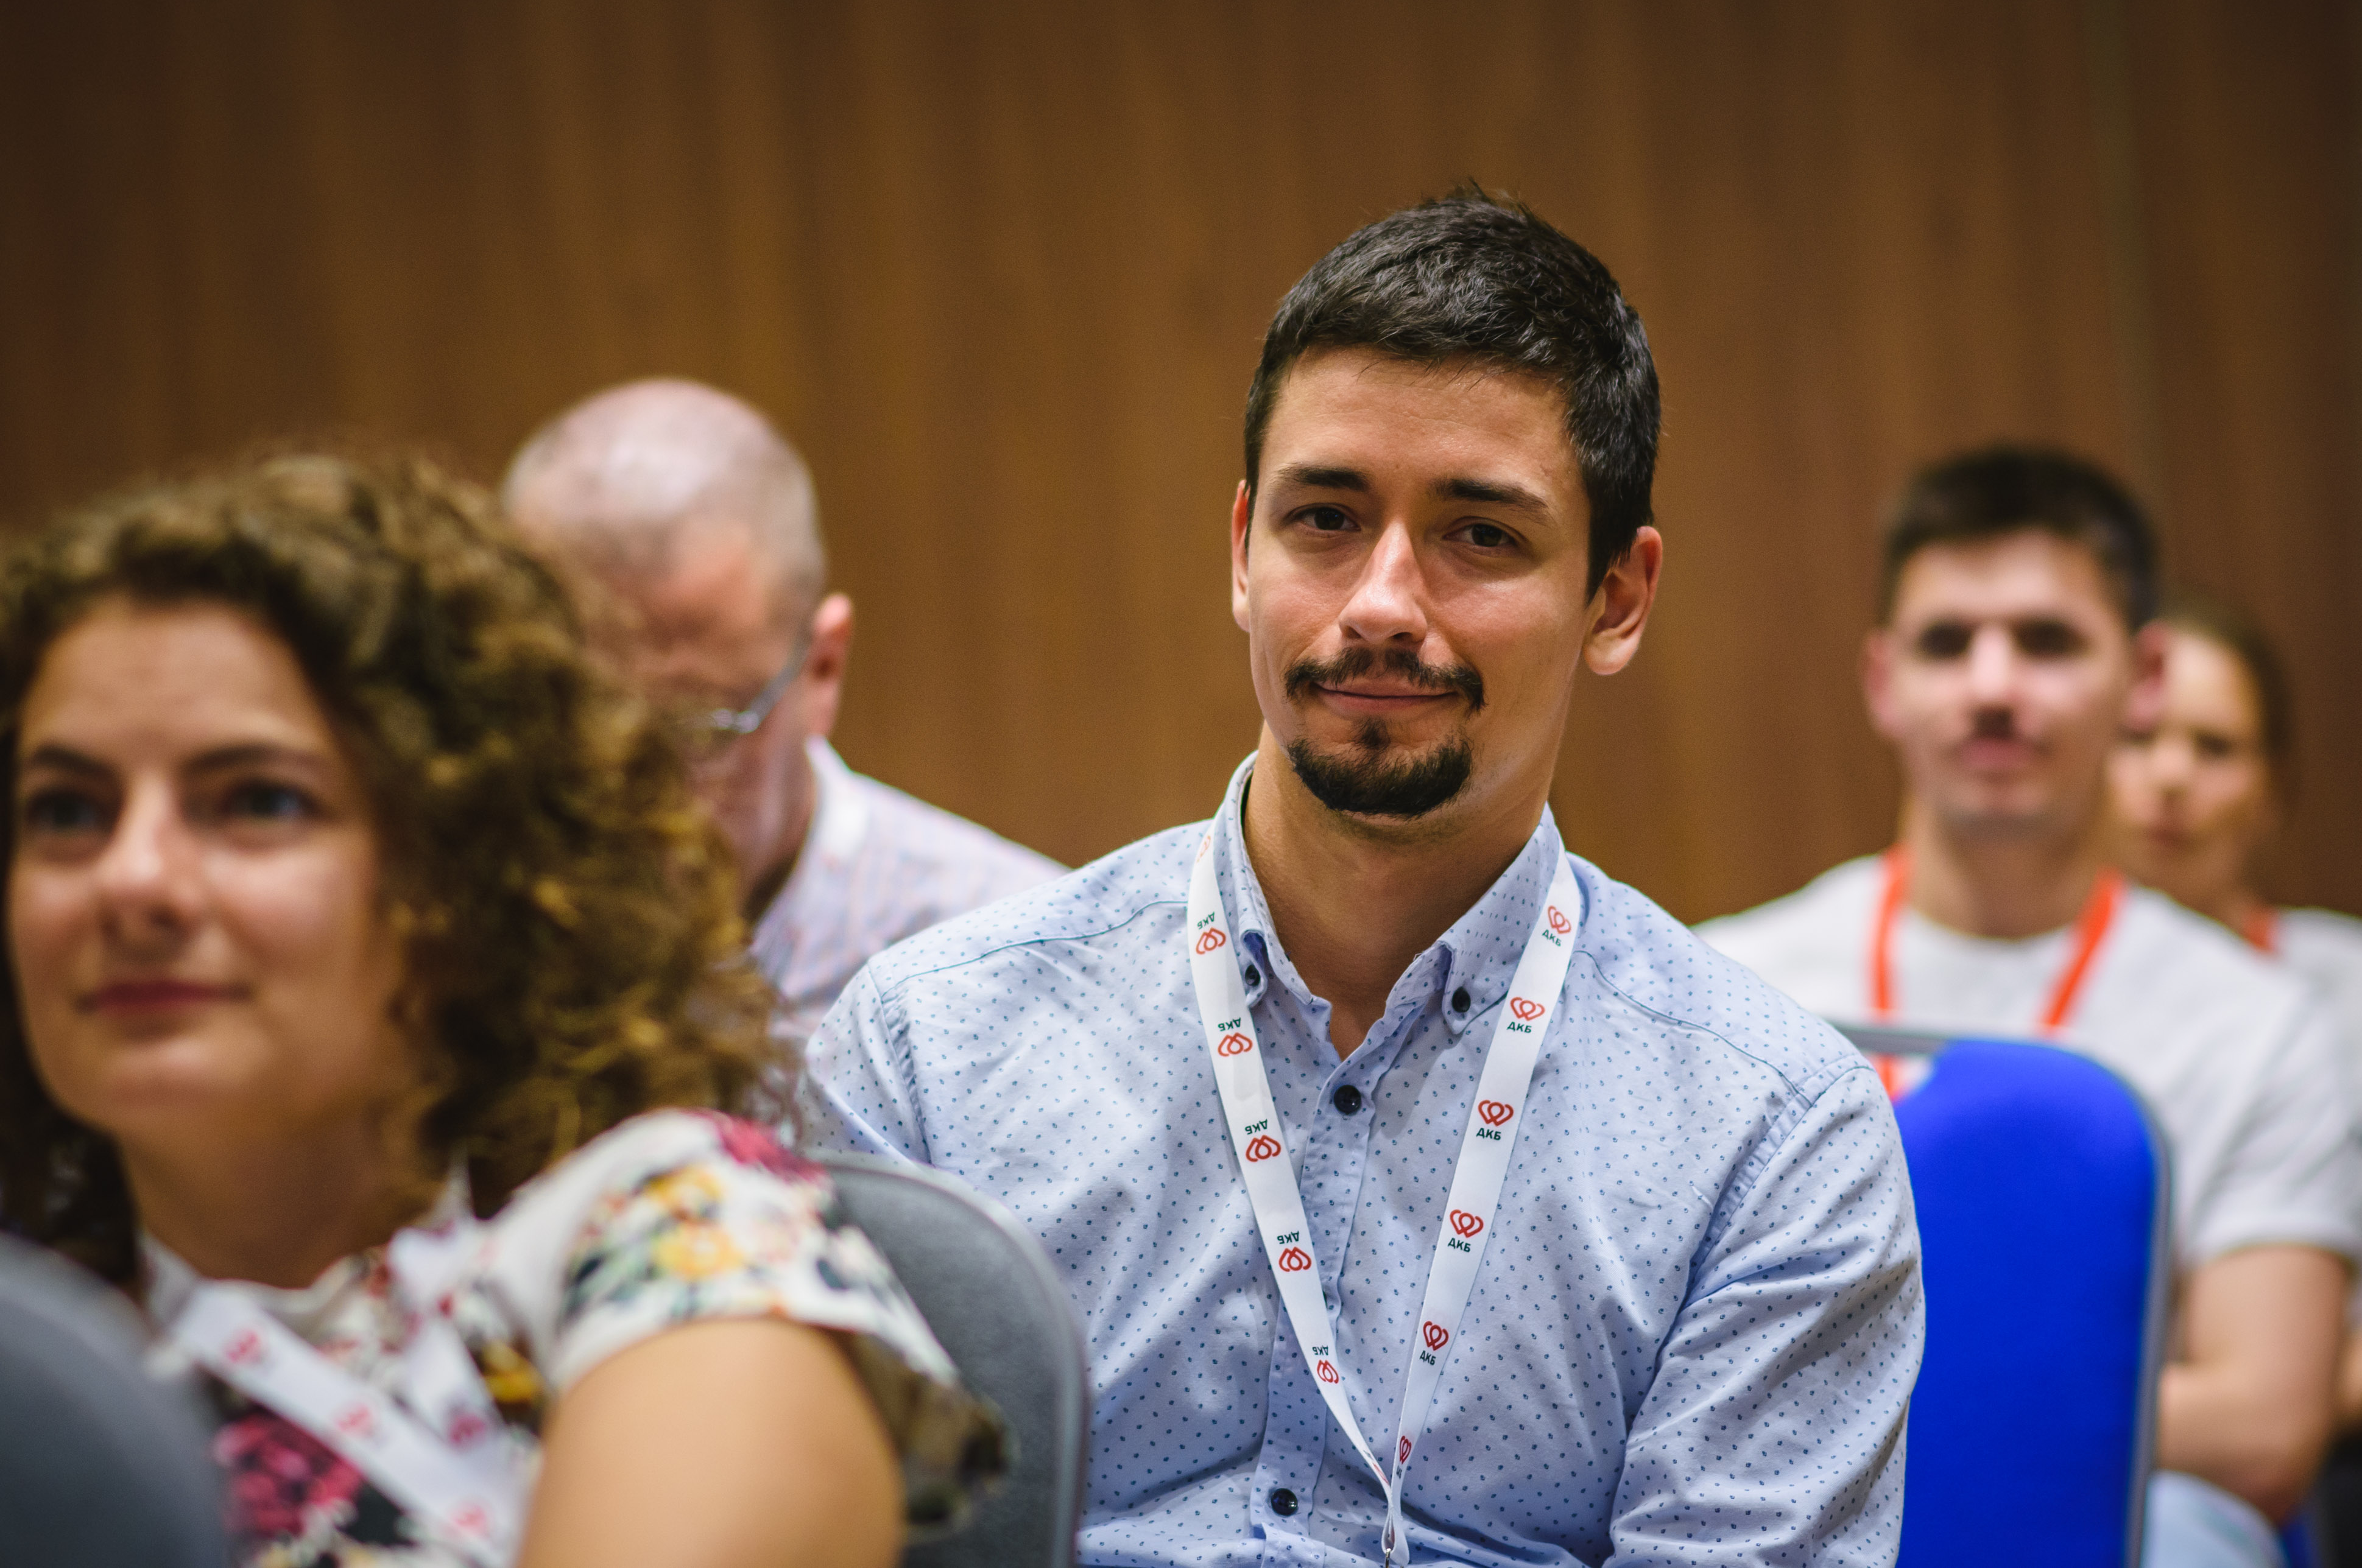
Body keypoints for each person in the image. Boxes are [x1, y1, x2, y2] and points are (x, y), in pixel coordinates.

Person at [808, 188, 1925, 1567]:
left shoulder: (1772, 1136)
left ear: (1617, 596)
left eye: (1480, 535)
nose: (1384, 601)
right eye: (1326, 518)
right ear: (1242, 549)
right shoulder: (927, 1049)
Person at [0, 452, 1001, 1567]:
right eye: (66, 810)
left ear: (473, 873)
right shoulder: (35, 1327)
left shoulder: (680, 1232)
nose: (132, 879)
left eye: (259, 801)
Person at [1700, 447, 2362, 1568]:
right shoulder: (1729, 986)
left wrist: (1864, 1406)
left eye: (2048, 640)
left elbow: (2264, 1431)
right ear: (1882, 680)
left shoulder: (2257, 1022)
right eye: (1947, 642)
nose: (1994, 686)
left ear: (2144, 677)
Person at [502, 379, 1060, 1030]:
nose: (621, 791)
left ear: (822, 670)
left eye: (696, 731)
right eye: (568, 717)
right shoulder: (447, 940)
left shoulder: (1018, 968)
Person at [2110, 594, 2362, 1566]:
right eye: (2139, 739)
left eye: (2215, 747)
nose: (2172, 777)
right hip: (2121, 1442)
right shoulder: (2049, 1005)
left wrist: (2285, 1412)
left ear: (2273, 788)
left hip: (2349, 1446)